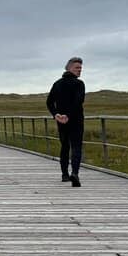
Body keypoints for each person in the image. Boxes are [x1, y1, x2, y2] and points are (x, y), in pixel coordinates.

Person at [46, 57, 85, 187]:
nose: (80, 70)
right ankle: (74, 173)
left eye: (80, 68)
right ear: (68, 68)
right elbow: (78, 102)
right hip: (75, 120)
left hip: (61, 121)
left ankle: (64, 174)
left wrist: (56, 114)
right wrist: (67, 115)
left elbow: (49, 102)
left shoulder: (57, 84)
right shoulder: (79, 84)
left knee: (64, 146)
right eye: (77, 68)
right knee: (76, 147)